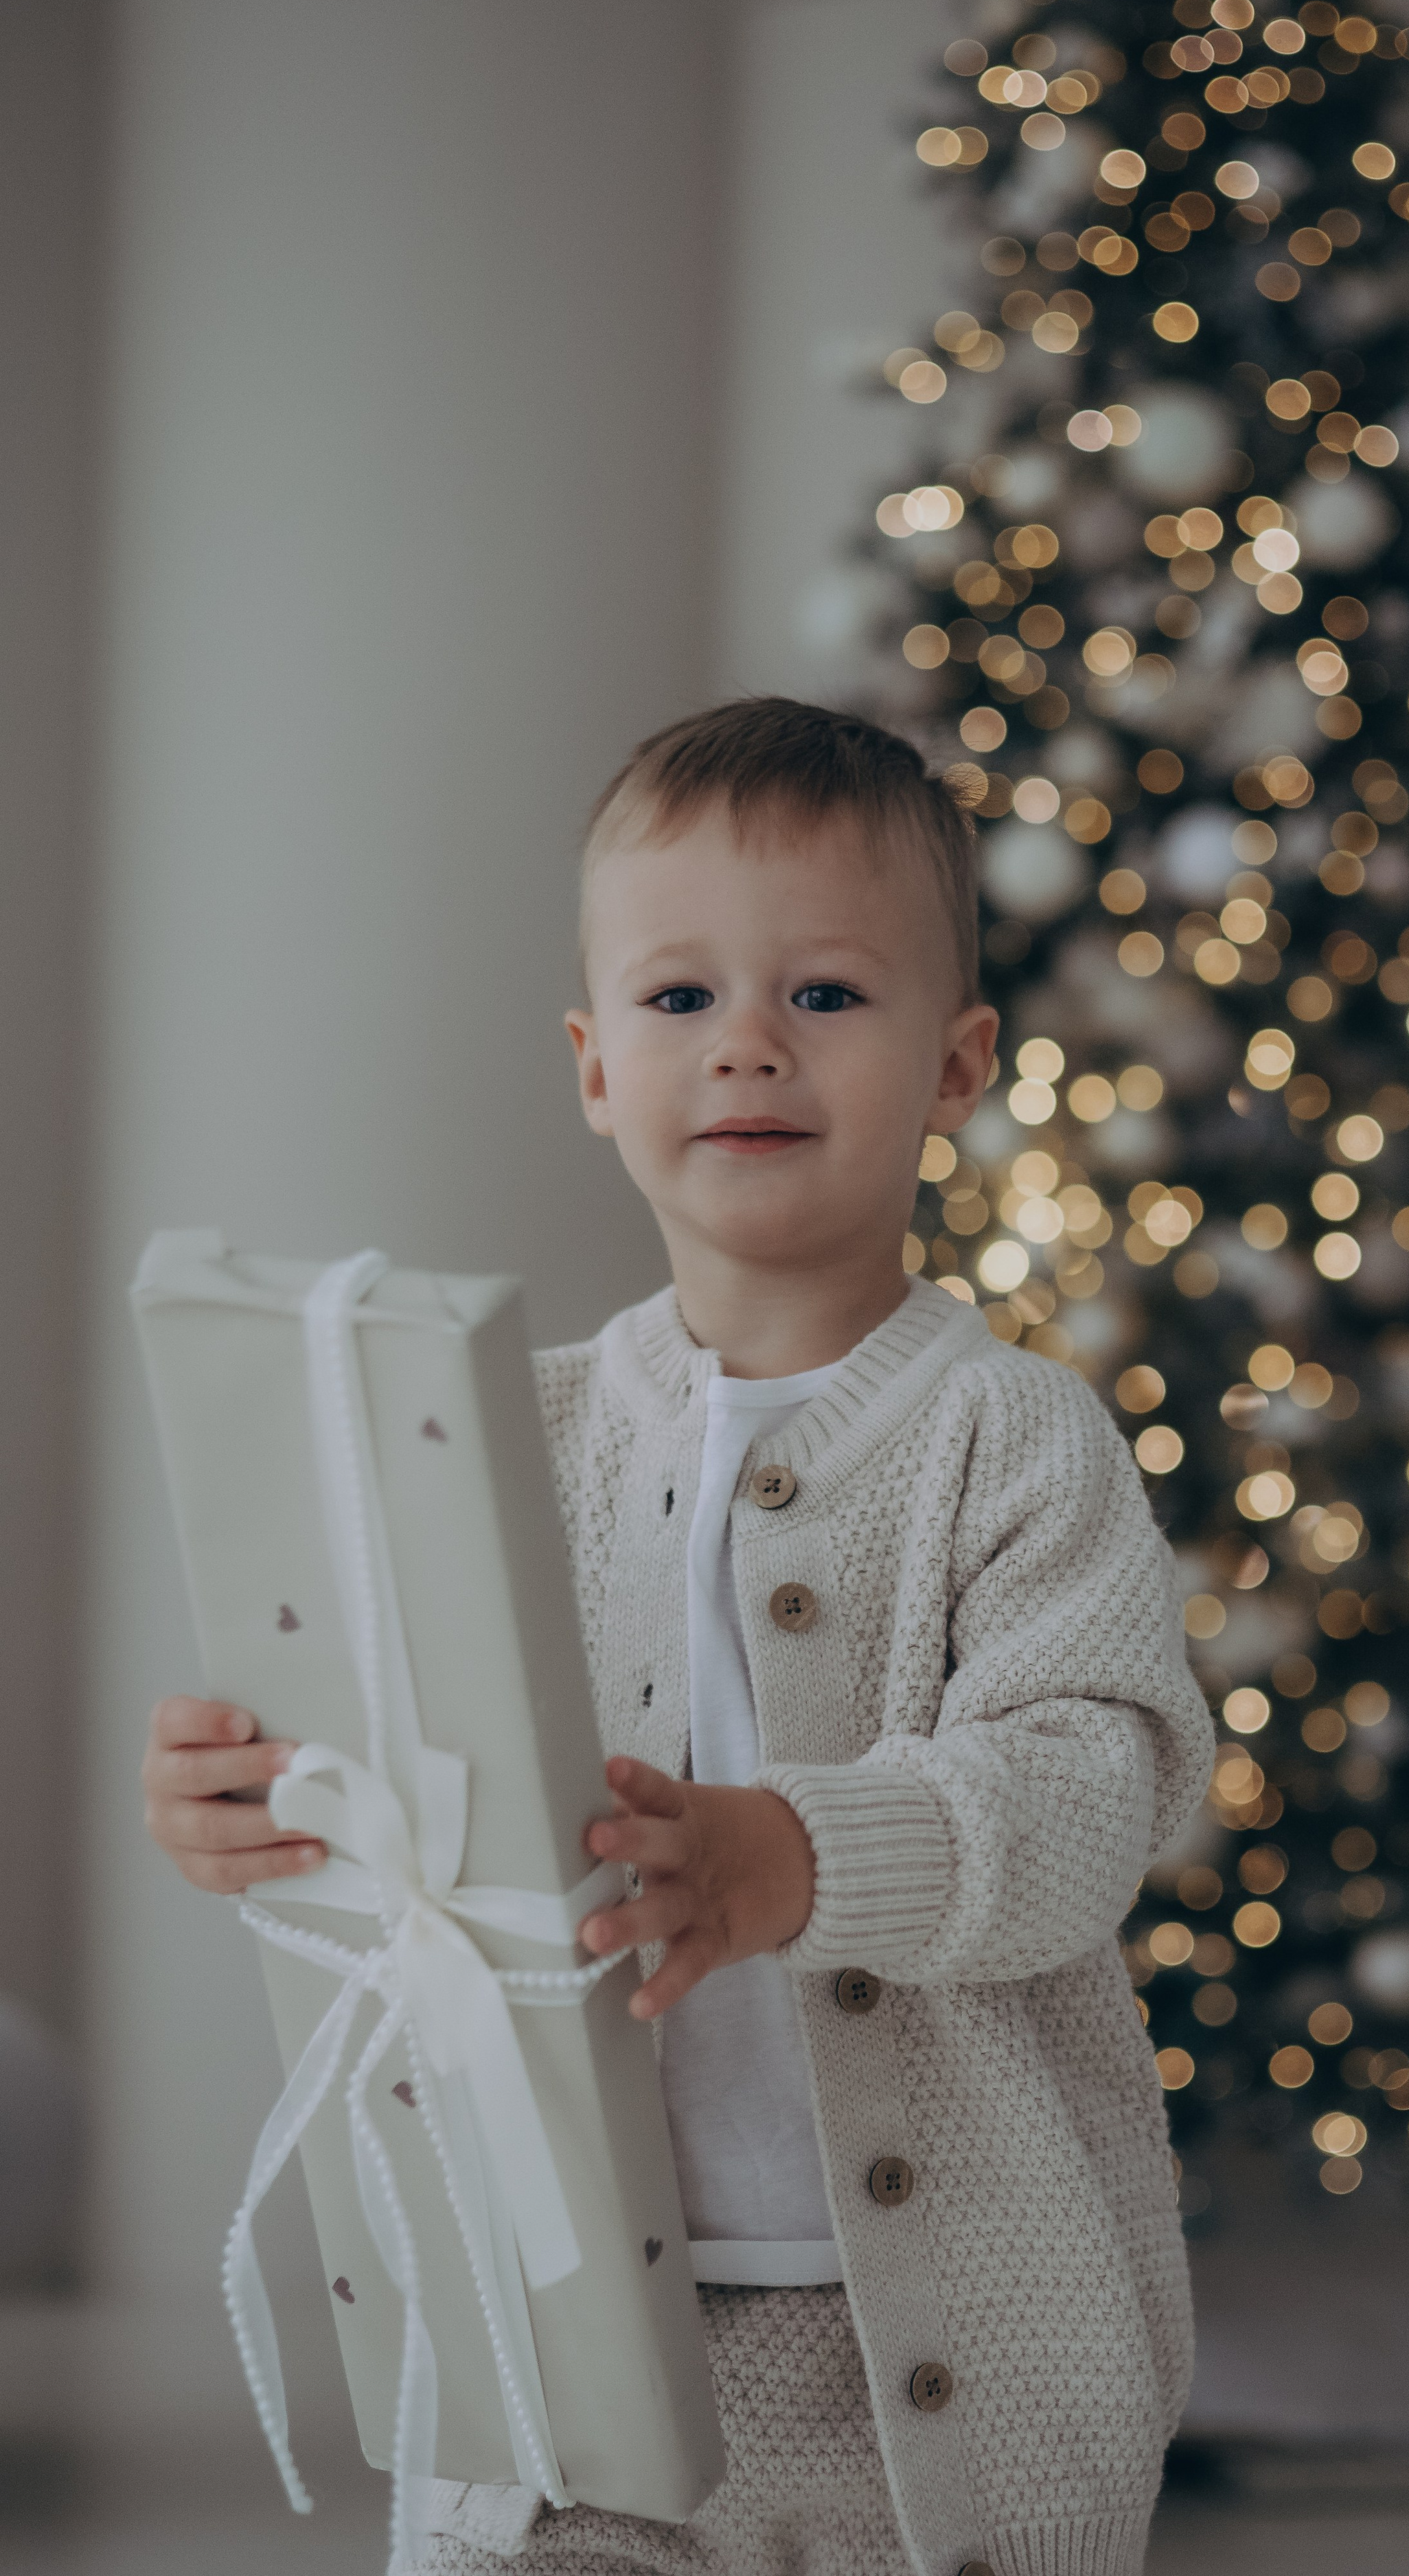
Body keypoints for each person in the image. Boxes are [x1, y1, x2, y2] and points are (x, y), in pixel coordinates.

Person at [141, 698, 1215, 2576]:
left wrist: (789, 1855)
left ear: (957, 1063)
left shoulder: (1017, 1441)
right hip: (564, 2349)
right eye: (679, 997)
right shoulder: (497, 1438)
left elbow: (1083, 1800)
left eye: (826, 994)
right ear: (592, 1066)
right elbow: (408, 1816)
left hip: (943, 2384)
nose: (745, 1044)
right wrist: (266, 1808)